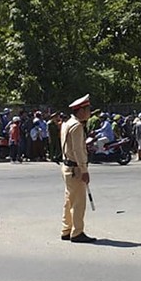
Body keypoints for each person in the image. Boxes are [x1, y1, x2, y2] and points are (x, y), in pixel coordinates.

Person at [60, 94, 96, 243]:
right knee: (78, 202)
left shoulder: (67, 123)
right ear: (81, 110)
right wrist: (84, 170)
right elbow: (78, 150)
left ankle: (66, 229)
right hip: (75, 168)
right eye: (88, 109)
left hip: (67, 166)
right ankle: (77, 232)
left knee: (69, 200)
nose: (89, 112)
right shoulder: (77, 126)